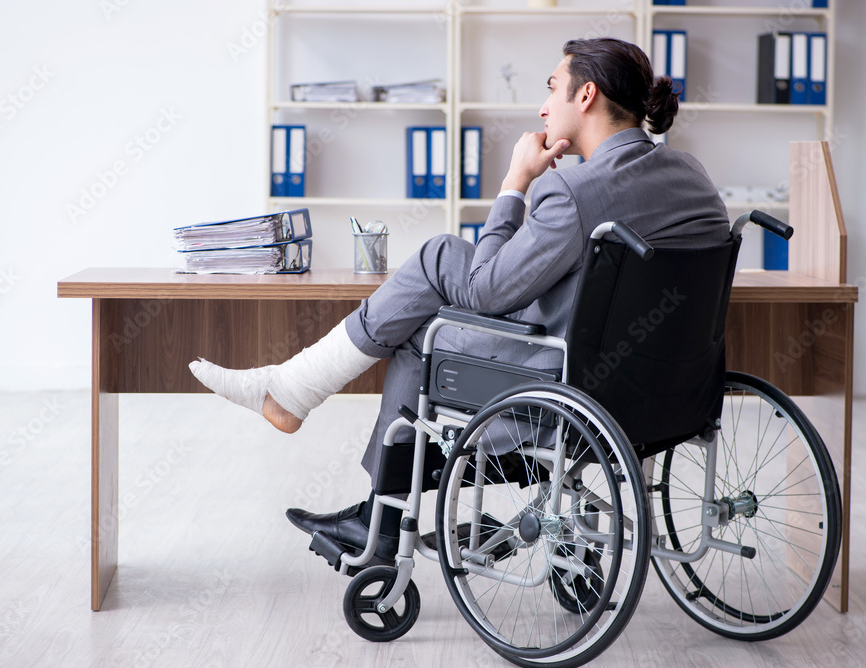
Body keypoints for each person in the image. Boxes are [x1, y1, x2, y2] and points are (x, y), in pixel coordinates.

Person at [190, 37, 730, 565]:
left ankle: (335, 453)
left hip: (567, 387)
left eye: (552, 88)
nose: (543, 107)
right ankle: (311, 418)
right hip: (670, 395)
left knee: (433, 286)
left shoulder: (573, 193)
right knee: (436, 290)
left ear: (585, 96)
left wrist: (515, 183)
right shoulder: (695, 177)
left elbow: (483, 291)